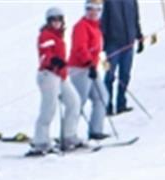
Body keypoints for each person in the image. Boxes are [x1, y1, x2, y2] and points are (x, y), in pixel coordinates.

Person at [31, 7, 82, 155]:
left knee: (74, 102)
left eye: (59, 19)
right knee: (49, 109)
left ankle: (69, 136)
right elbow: (44, 55)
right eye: (53, 20)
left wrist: (61, 66)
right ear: (48, 21)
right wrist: (53, 60)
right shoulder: (45, 35)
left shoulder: (59, 35)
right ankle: (41, 142)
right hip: (48, 75)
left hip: (60, 76)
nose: (56, 22)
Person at [68, 1, 109, 141]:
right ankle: (68, 134)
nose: (93, 12)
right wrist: (89, 63)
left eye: (97, 9)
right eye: (90, 9)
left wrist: (94, 64)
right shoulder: (81, 26)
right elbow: (80, 48)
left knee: (102, 97)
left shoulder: (96, 26)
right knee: (78, 101)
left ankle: (95, 131)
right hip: (79, 68)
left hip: (91, 68)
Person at [100, 0, 142, 116]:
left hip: (129, 42)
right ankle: (107, 105)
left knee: (125, 74)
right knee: (110, 75)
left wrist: (139, 36)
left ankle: (121, 103)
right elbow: (103, 21)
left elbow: (135, 19)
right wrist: (103, 43)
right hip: (113, 44)